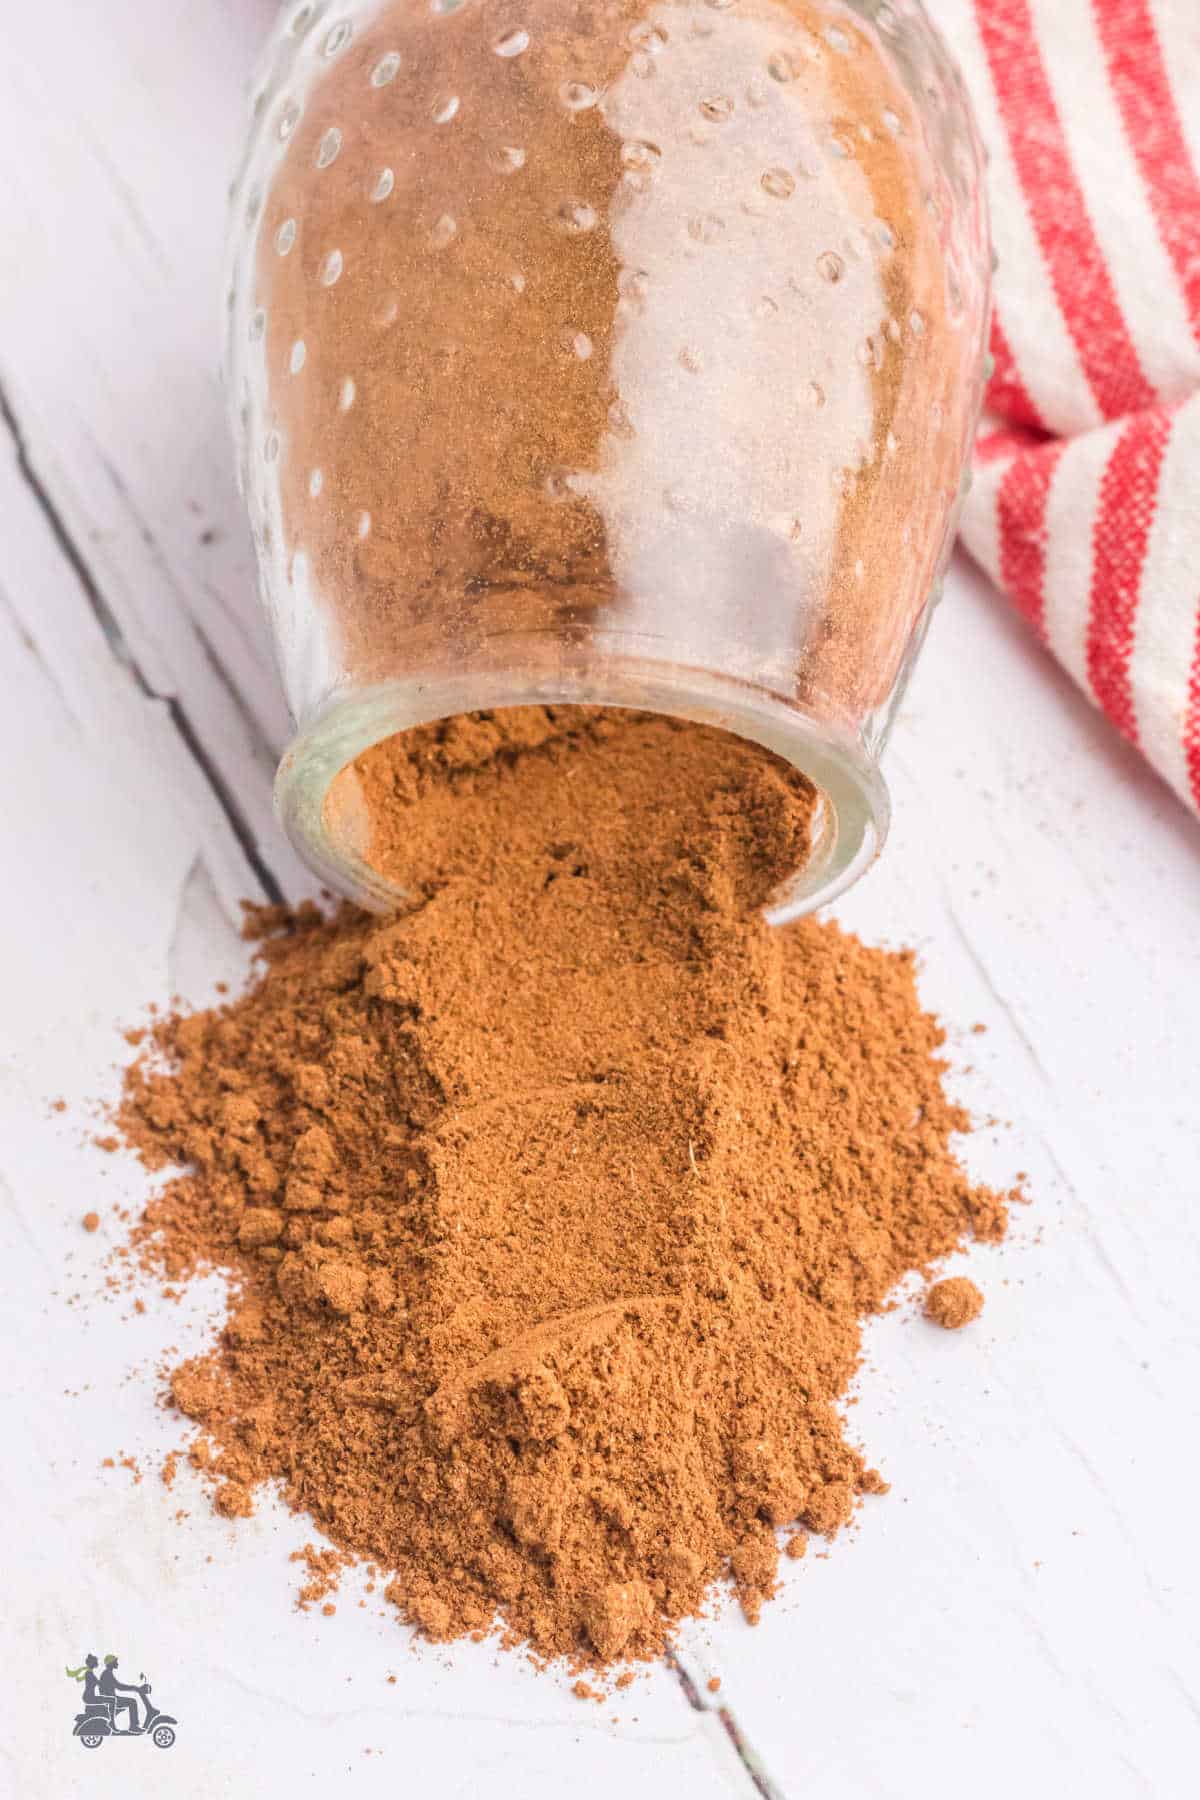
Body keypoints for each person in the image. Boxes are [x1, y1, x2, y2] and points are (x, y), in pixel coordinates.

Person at [97, 1653, 141, 1733]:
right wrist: (134, 1688)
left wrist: (134, 1688)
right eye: (115, 1662)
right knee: (132, 1702)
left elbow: (118, 1686)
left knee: (131, 1701)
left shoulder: (107, 1673)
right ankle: (133, 1727)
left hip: (111, 1698)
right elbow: (119, 1687)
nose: (117, 1663)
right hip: (111, 1700)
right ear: (110, 1663)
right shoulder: (107, 1674)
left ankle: (133, 1726)